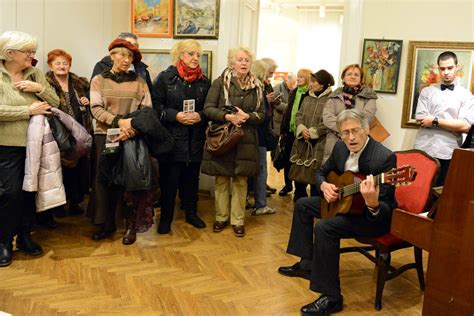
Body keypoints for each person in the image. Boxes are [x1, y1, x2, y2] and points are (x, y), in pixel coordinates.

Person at [278, 109, 397, 315]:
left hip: (370, 216)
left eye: (355, 131)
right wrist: (324, 185)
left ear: (367, 130)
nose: (350, 137)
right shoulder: (340, 148)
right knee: (303, 204)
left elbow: (386, 208)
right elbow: (321, 172)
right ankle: (308, 263)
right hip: (345, 204)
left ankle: (332, 298)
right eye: (345, 132)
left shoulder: (384, 158)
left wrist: (372, 203)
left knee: (325, 227)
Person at [0, 30, 60, 267]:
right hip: (6, 146)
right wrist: (28, 111)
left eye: (33, 51)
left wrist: (40, 89)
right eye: (28, 51)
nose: (32, 55)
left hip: (37, 145)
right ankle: (4, 241)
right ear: (10, 53)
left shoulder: (35, 73)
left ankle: (25, 237)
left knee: (29, 193)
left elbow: (55, 102)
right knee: (9, 193)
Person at [89, 38, 152, 244]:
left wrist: (131, 129)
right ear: (112, 56)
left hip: (131, 136)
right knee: (104, 179)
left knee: (130, 181)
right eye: (122, 55)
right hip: (105, 135)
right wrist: (119, 122)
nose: (126, 60)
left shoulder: (139, 82)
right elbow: (96, 108)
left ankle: (129, 226)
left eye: (130, 57)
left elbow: (147, 110)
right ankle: (105, 224)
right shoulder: (99, 80)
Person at [201, 47, 265, 237]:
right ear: (232, 62)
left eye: (247, 60)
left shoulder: (257, 86)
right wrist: (228, 117)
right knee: (221, 180)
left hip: (246, 140)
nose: (244, 63)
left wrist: (248, 116)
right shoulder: (219, 83)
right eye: (240, 60)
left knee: (241, 181)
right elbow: (208, 109)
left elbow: (262, 115)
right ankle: (221, 218)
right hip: (224, 137)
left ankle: (238, 220)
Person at [153, 39, 210, 234]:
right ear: (179, 55)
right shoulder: (165, 78)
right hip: (171, 140)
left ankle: (191, 214)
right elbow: (156, 106)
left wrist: (200, 116)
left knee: (192, 180)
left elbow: (209, 109)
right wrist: (175, 115)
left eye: (197, 55)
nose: (195, 58)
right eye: (190, 54)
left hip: (195, 139)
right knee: (169, 182)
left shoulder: (204, 81)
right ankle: (166, 219)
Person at [414, 51, 473, 186]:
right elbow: (422, 119)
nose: (446, 72)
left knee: (442, 195)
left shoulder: (466, 96)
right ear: (438, 69)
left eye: (450, 68)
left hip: (448, 152)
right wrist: (452, 126)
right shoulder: (426, 91)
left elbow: (465, 126)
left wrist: (434, 121)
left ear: (457, 67)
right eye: (442, 68)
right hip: (424, 149)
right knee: (420, 190)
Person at [45, 49, 91, 217]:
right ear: (50, 65)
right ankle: (57, 206)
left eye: (65, 63)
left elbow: (88, 103)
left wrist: (87, 101)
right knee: (59, 168)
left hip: (79, 130)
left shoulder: (79, 83)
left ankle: (75, 202)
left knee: (78, 169)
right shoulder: (46, 83)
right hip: (58, 131)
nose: (62, 66)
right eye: (57, 63)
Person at [289, 70, 335, 197]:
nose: (311, 84)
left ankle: (314, 207)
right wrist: (302, 129)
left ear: (322, 84)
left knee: (315, 176)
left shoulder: (331, 100)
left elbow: (328, 121)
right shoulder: (307, 97)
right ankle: (299, 205)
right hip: (302, 141)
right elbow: (299, 114)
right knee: (299, 176)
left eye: (314, 82)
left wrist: (312, 132)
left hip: (319, 143)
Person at [323, 64, 377, 163]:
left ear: (361, 79)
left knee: (355, 176)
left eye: (356, 75)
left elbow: (366, 117)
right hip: (335, 142)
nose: (353, 77)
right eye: (349, 74)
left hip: (358, 142)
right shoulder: (334, 96)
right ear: (343, 78)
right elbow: (327, 117)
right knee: (332, 175)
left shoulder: (369, 97)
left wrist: (348, 130)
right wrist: (346, 130)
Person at [90, 32, 158, 109]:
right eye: (128, 44)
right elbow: (95, 98)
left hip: (135, 116)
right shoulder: (102, 67)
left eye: (135, 45)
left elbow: (149, 98)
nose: (132, 48)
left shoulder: (142, 70)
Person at [279, 68, 312, 199]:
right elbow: (288, 112)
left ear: (308, 80)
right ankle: (287, 185)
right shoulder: (294, 92)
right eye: (298, 76)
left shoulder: (309, 95)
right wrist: (283, 130)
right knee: (287, 159)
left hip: (302, 132)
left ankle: (300, 190)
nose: (298, 79)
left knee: (299, 161)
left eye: (301, 77)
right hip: (289, 131)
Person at [250, 60, 276, 216]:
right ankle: (260, 205)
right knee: (261, 171)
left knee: (247, 170)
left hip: (248, 136)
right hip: (259, 136)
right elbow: (264, 116)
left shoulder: (247, 87)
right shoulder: (259, 89)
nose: (269, 75)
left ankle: (247, 199)